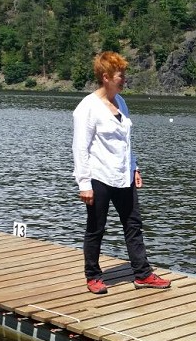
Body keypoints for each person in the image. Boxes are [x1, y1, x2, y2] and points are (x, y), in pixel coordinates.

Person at [72, 51, 170, 295]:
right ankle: (93, 276)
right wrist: (84, 183)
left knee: (133, 224)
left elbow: (126, 142)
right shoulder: (87, 107)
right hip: (99, 176)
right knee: (96, 227)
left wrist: (135, 168)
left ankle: (143, 274)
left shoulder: (121, 103)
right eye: (120, 75)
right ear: (106, 77)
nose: (124, 79)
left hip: (123, 175)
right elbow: (80, 147)